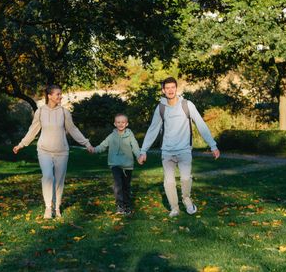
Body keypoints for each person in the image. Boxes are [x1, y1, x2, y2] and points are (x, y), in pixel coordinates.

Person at [137, 77, 220, 217]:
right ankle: (174, 208)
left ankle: (187, 200)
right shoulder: (161, 108)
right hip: (167, 152)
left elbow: (200, 124)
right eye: (167, 88)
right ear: (163, 90)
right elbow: (153, 130)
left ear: (176, 88)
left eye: (172, 87)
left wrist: (213, 145)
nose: (170, 90)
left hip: (184, 150)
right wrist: (143, 150)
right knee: (168, 182)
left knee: (186, 179)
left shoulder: (187, 105)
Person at [13, 85, 94, 219]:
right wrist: (21, 144)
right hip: (44, 150)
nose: (60, 96)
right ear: (49, 96)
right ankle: (48, 208)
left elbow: (73, 130)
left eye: (61, 94)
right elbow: (33, 130)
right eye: (57, 94)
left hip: (62, 152)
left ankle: (56, 208)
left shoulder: (64, 112)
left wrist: (86, 143)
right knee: (48, 177)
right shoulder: (40, 112)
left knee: (59, 181)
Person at [92, 113, 142, 215]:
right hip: (115, 164)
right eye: (118, 122)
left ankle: (127, 206)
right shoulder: (111, 136)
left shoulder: (130, 135)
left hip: (127, 165)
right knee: (118, 184)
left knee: (126, 186)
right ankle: (120, 205)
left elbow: (135, 147)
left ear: (127, 124)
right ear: (115, 124)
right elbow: (103, 145)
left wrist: (139, 156)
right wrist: (94, 150)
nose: (120, 124)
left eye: (123, 122)